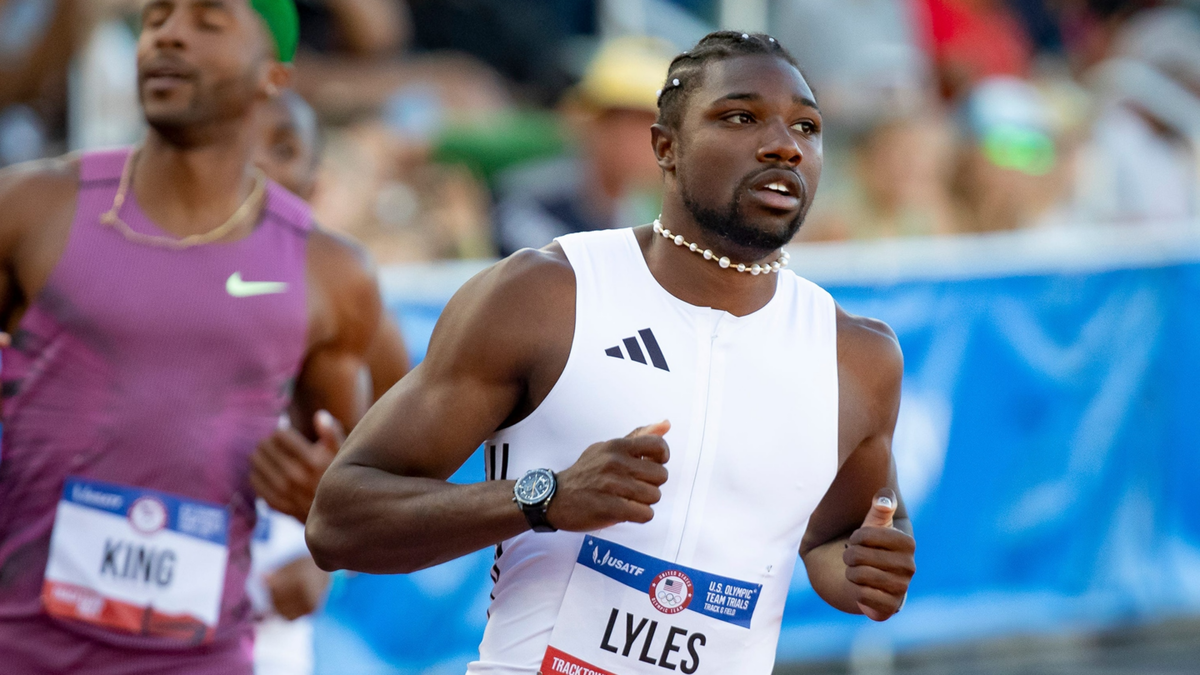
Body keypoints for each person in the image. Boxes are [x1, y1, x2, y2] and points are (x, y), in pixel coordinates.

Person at [308, 31, 916, 675]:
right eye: (740, 117)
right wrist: (543, 499)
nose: (783, 145)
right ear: (665, 147)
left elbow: (836, 541)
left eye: (807, 126)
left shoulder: (857, 357)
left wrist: (863, 573)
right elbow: (338, 521)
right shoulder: (546, 294)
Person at [0, 1, 396, 672]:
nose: (171, 34)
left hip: (202, 657)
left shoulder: (330, 274)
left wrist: (322, 527)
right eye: (156, 18)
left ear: (275, 75)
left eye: (208, 21)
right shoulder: (33, 208)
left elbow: (370, 476)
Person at [249, 87, 411, 675]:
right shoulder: (128, 274)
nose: (258, 163)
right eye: (239, 142)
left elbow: (403, 463)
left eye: (283, 148)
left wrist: (328, 561)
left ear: (313, 187)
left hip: (258, 621)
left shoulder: (342, 298)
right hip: (99, 607)